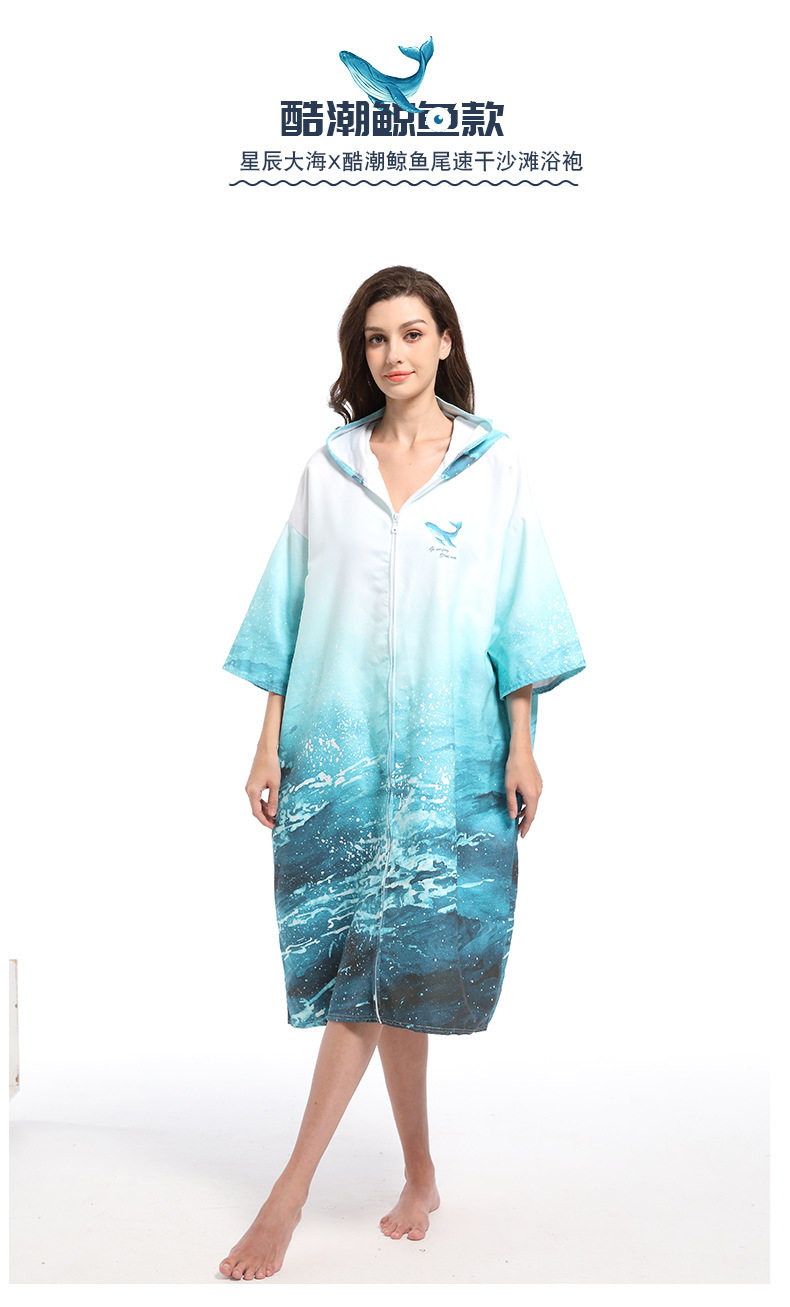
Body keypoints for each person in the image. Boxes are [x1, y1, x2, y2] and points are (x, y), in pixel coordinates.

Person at [218, 265, 586, 1280]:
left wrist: (523, 743)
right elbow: (287, 614)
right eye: (376, 337)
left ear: (443, 341)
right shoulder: (328, 469)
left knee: (381, 969)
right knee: (385, 974)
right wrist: (265, 742)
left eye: (412, 333)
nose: (393, 353)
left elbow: (520, 612)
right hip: (338, 762)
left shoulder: (493, 468)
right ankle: (420, 1174)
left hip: (446, 763)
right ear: (362, 352)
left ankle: (287, 1194)